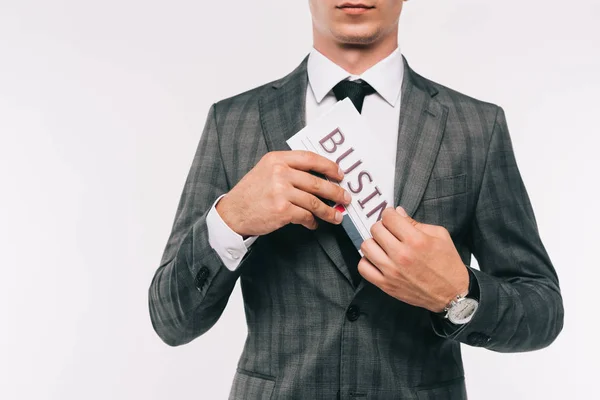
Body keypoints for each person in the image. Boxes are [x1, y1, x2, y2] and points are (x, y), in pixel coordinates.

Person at [148, 1, 564, 398]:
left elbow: (542, 310)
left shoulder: (475, 127)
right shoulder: (233, 123)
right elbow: (172, 320)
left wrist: (459, 293)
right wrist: (232, 219)